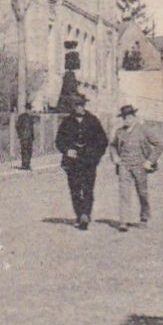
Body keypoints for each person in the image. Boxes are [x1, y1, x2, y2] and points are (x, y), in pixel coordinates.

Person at [53, 93, 108, 230]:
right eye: (77, 105)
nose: (79, 108)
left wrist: (95, 156)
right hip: (72, 163)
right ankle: (79, 214)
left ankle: (86, 214)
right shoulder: (67, 122)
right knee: (75, 189)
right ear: (73, 106)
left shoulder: (93, 120)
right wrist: (67, 150)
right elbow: (59, 141)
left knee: (88, 189)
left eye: (81, 105)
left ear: (85, 105)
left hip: (89, 161)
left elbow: (103, 141)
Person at [109, 105, 163, 230]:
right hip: (124, 165)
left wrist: (150, 161)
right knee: (124, 193)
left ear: (134, 117)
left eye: (129, 117)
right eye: (124, 117)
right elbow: (112, 146)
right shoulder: (120, 132)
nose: (127, 120)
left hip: (140, 166)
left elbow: (159, 145)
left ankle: (144, 217)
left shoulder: (144, 130)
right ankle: (124, 221)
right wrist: (115, 157)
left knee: (142, 193)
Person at [15, 102, 38, 170]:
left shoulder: (30, 117)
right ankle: (24, 164)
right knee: (25, 150)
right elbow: (17, 126)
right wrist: (20, 134)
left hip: (28, 137)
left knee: (29, 150)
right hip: (24, 137)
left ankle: (27, 164)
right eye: (28, 109)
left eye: (30, 109)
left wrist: (32, 136)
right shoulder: (22, 117)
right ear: (26, 109)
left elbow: (31, 128)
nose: (29, 110)